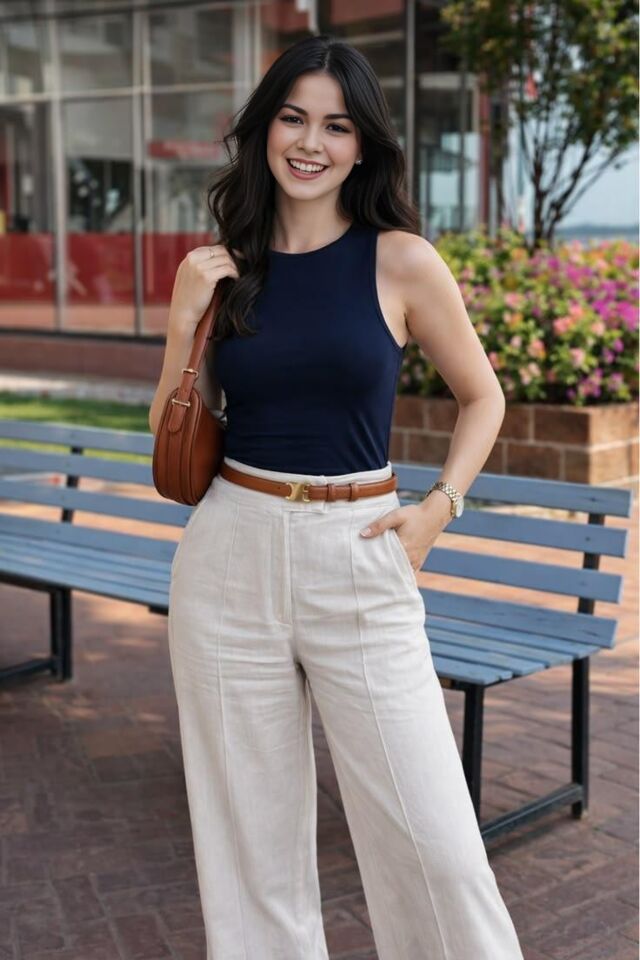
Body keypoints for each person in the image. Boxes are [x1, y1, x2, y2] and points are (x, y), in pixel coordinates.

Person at [149, 34, 525, 960]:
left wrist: (439, 509)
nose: (311, 142)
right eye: (293, 118)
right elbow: (170, 434)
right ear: (265, 129)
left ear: (364, 147)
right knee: (250, 850)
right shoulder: (223, 267)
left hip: (361, 548)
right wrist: (182, 320)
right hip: (229, 551)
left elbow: (484, 397)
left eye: (337, 126)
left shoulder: (401, 260)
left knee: (436, 843)